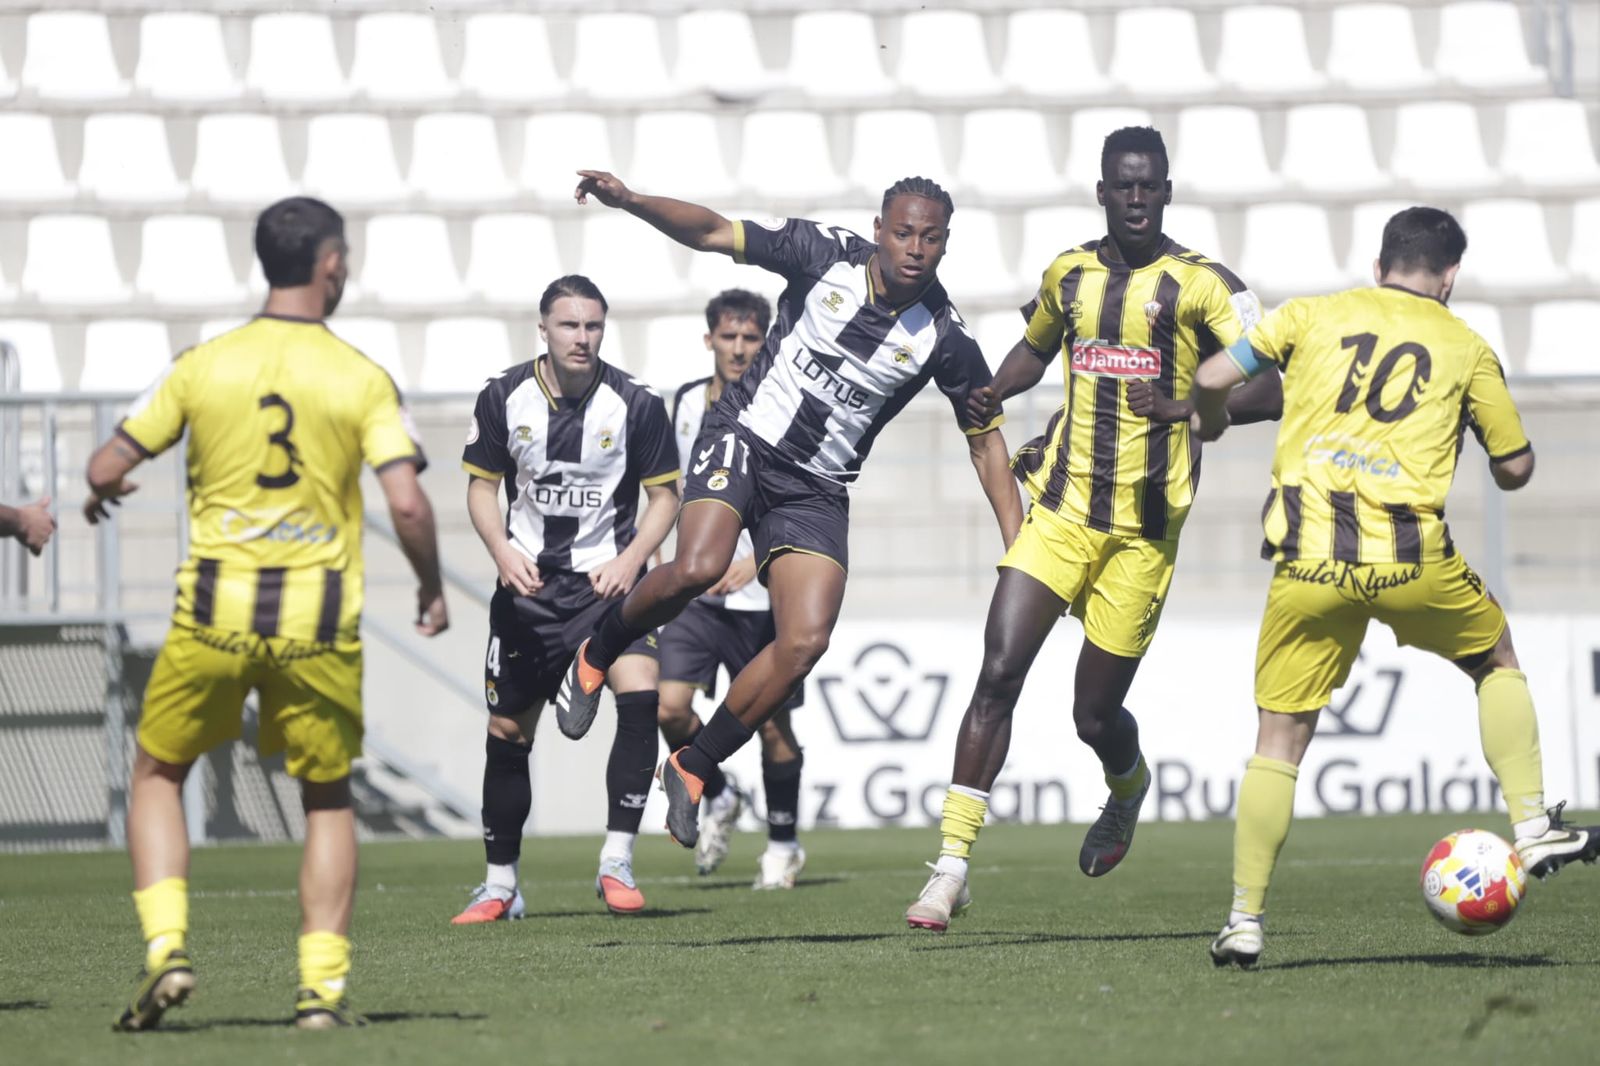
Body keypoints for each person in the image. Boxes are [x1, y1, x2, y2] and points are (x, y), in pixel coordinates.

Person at [562, 171, 1023, 853]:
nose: (915, 247)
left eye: (930, 237)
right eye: (903, 232)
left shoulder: (944, 338)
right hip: (744, 437)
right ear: (879, 231)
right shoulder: (823, 255)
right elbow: (714, 232)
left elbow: (985, 442)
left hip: (816, 487)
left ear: (945, 244)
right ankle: (596, 653)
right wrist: (630, 202)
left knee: (806, 641)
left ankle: (692, 764)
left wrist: (1021, 551)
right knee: (699, 566)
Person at [1195, 205, 1600, 968]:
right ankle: (1533, 823)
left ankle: (1244, 919)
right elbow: (1514, 470)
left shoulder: (1314, 313)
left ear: (1379, 264)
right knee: (1495, 658)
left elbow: (1211, 375)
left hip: (1308, 560)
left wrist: (1212, 419)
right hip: (1411, 560)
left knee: (1279, 737)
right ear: (1449, 277)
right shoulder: (1466, 345)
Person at [903, 126, 1283, 932]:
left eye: (1150, 186)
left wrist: (1187, 406)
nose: (1137, 199)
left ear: (1167, 193)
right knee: (997, 673)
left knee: (1092, 717)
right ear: (1102, 191)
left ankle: (1127, 784)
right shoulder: (1069, 273)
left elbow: (1273, 384)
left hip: (1144, 534)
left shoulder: (1206, 285)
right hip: (1063, 512)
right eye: (1124, 186)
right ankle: (950, 868)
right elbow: (1036, 349)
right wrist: (994, 392)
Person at [88, 196, 447, 1030]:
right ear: (329, 266)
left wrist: (107, 488)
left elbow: (107, 461)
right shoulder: (361, 375)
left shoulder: (201, 363)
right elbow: (409, 505)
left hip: (212, 614)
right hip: (317, 624)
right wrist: (430, 586)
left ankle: (167, 950)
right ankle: (320, 993)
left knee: (157, 773)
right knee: (325, 797)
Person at [453, 274, 680, 923]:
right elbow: (480, 487)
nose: (582, 338)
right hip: (530, 591)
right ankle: (500, 885)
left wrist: (631, 560)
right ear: (544, 329)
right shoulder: (503, 395)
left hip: (610, 587)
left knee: (641, 697)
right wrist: (501, 550)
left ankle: (617, 863)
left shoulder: (636, 404)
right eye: (569, 325)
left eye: (593, 326)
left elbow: (666, 496)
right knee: (506, 732)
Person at [660, 289, 809, 889]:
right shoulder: (686, 405)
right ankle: (718, 793)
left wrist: (757, 563)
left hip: (758, 599)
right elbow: (674, 491)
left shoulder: (787, 403)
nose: (740, 348)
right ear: (710, 341)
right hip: (697, 597)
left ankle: (783, 843)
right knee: (670, 706)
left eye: (751, 338)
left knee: (772, 727)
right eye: (729, 337)